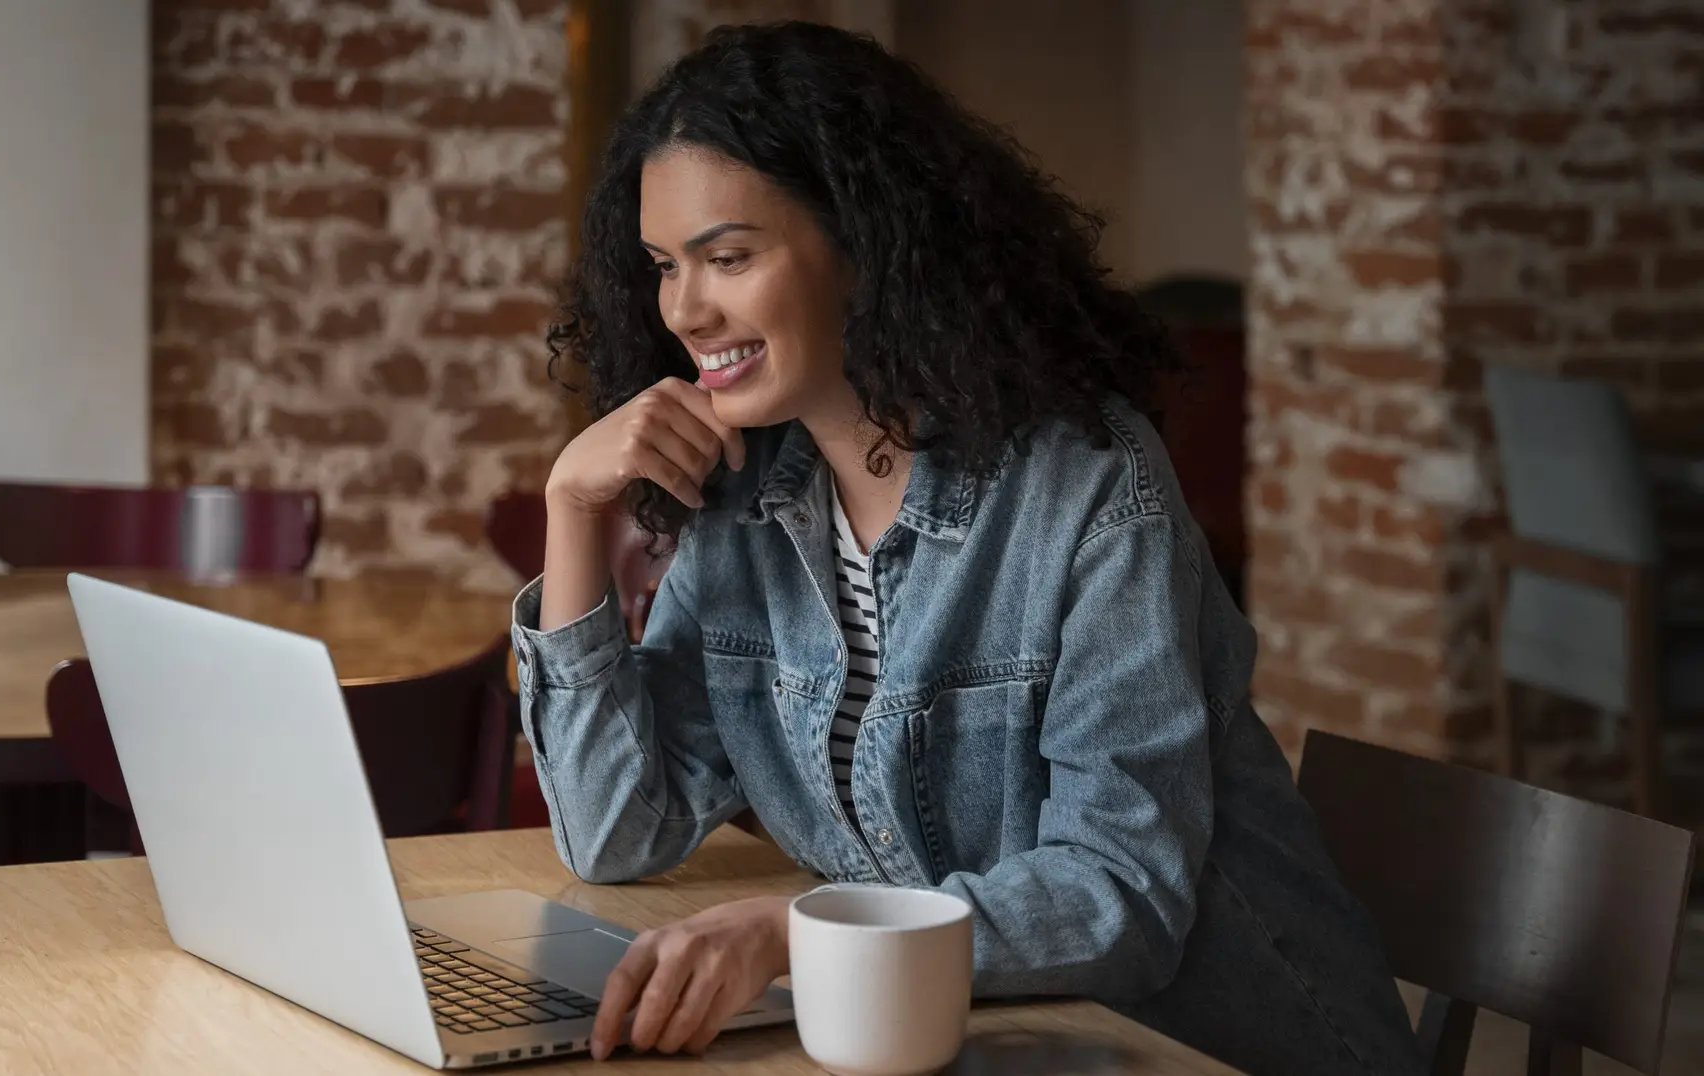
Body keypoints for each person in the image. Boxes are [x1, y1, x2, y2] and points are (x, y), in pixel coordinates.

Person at [512, 21, 1421, 1076]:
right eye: (665, 265)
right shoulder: (744, 497)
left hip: (1222, 1048)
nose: (684, 307)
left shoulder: (1087, 483)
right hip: (992, 1046)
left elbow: (1118, 892)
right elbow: (616, 833)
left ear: (862, 240)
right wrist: (572, 511)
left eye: (728, 256)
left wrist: (797, 936)